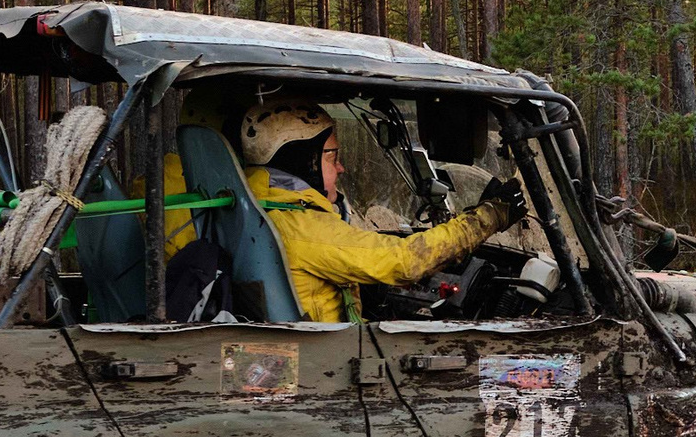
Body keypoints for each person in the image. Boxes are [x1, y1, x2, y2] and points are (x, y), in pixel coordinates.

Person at [173, 101, 527, 323]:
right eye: (332, 156)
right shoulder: (299, 224)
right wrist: (489, 217)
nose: (340, 169)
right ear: (304, 160)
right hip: (329, 362)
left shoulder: (249, 206)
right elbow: (405, 260)